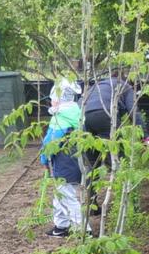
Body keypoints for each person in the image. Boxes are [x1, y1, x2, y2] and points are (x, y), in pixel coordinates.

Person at [81, 69, 139, 210]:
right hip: (105, 116)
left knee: (92, 164)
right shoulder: (125, 86)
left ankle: (91, 203)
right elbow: (133, 111)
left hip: (84, 117)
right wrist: (145, 136)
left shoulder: (98, 85)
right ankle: (126, 204)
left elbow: (81, 101)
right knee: (117, 159)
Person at [40, 87, 85, 238]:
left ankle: (84, 229)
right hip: (76, 161)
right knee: (60, 194)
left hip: (64, 164)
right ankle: (61, 226)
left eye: (52, 98)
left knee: (67, 196)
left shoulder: (60, 118)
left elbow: (50, 142)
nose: (51, 101)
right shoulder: (77, 115)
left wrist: (44, 158)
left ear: (58, 99)